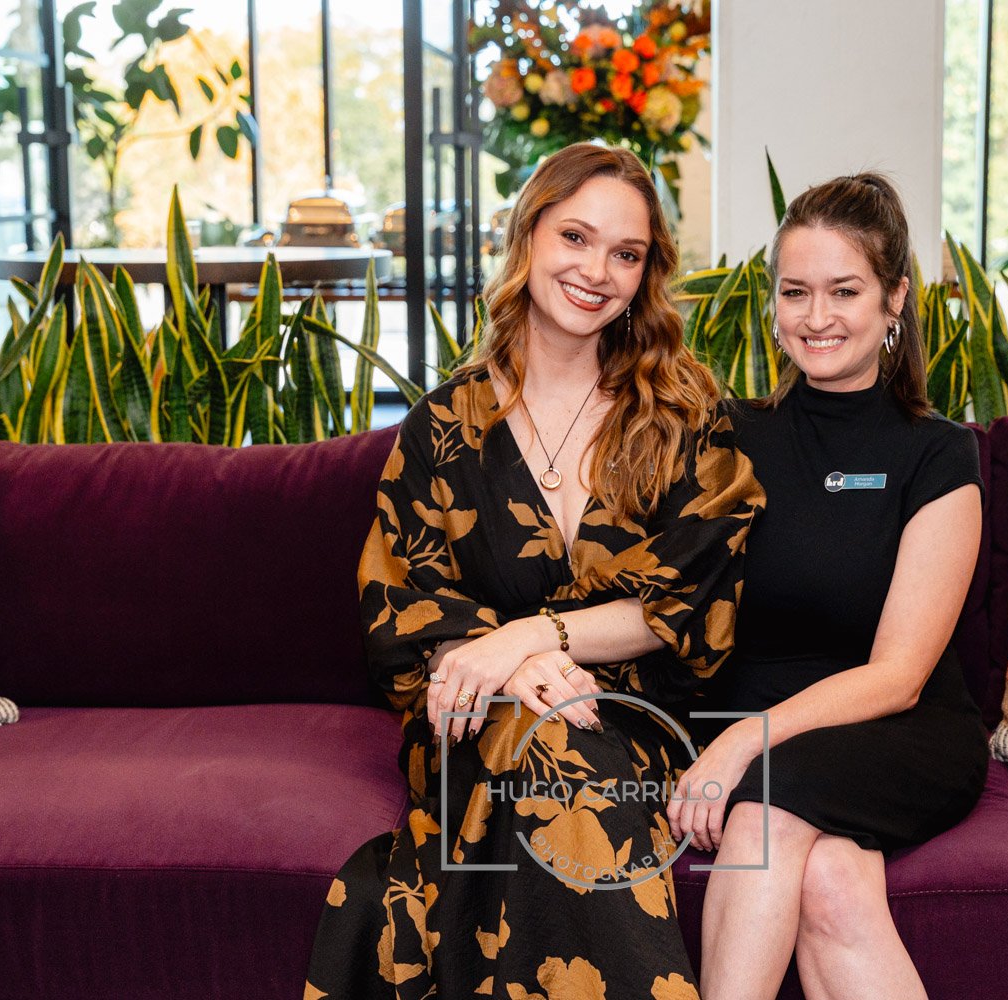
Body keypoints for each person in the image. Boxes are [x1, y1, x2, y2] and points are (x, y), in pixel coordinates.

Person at [304, 142, 763, 1000]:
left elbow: (689, 600)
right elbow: (403, 612)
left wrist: (528, 638)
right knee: (544, 745)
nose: (597, 271)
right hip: (478, 719)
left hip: (638, 717)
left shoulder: (684, 412)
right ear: (528, 237)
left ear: (646, 275)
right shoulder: (444, 425)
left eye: (626, 254)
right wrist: (523, 669)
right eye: (576, 238)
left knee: (567, 757)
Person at [671, 174, 990, 1000]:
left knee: (768, 810)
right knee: (834, 882)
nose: (816, 318)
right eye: (795, 292)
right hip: (760, 714)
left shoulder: (939, 454)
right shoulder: (734, 437)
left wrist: (742, 745)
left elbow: (898, 676)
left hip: (902, 728)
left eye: (844, 291)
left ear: (895, 301)